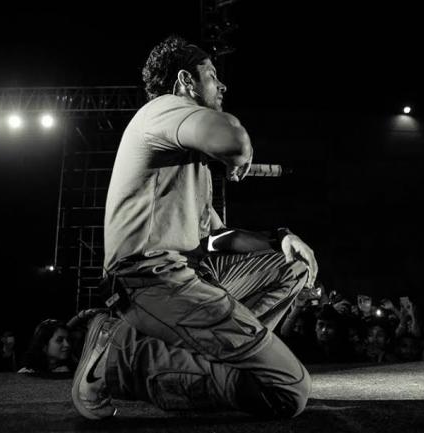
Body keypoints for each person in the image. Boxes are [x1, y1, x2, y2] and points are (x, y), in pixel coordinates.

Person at [72, 36, 318, 420]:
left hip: (191, 276)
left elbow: (216, 238)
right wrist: (238, 153)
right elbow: (234, 141)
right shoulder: (162, 110)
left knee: (293, 266)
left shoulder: (188, 159)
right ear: (186, 81)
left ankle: (207, 359)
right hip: (150, 281)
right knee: (288, 391)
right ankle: (120, 358)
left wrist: (281, 238)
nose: (222, 85)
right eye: (212, 76)